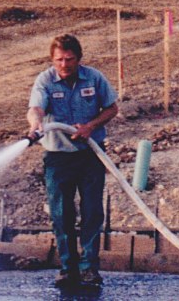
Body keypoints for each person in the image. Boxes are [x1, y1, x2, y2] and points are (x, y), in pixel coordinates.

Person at [27, 34, 118, 288]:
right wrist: (36, 125)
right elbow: (36, 108)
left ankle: (90, 269)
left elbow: (112, 108)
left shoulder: (94, 78)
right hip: (58, 157)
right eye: (59, 60)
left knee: (92, 212)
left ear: (79, 59)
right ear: (52, 59)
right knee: (61, 214)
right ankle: (68, 269)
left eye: (69, 59)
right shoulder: (45, 80)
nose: (64, 65)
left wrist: (90, 126)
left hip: (90, 154)